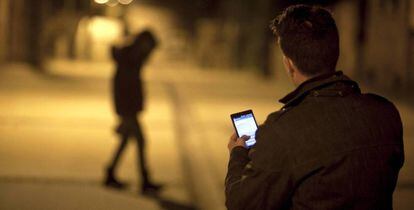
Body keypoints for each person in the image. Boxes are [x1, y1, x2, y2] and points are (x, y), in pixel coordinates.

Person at [225, 5, 404, 210]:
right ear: (334, 52)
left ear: (289, 64)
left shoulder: (281, 131)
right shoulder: (386, 114)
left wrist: (238, 153)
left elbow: (241, 204)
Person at [104, 30, 162, 194]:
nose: (150, 54)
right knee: (141, 141)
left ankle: (110, 173)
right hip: (128, 111)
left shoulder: (132, 60)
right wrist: (125, 113)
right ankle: (144, 181)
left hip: (129, 110)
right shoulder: (128, 61)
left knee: (126, 141)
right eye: (149, 49)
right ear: (143, 44)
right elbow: (122, 89)